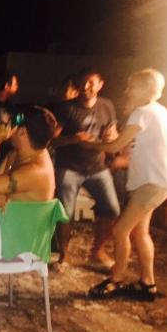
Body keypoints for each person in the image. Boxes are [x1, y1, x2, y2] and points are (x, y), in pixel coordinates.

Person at [87, 68, 167, 301]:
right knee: (140, 233)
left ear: (145, 89)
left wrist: (89, 145)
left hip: (151, 183)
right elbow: (131, 146)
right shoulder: (161, 111)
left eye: (131, 86)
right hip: (157, 182)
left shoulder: (141, 112)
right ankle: (147, 284)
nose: (127, 90)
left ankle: (117, 279)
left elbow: (114, 147)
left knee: (120, 229)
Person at [0, 106, 60, 300]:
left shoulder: (34, 170)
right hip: (9, 232)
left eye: (12, 125)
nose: (7, 128)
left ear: (22, 132)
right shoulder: (18, 155)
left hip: (18, 247)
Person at [53, 68, 121, 271]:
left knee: (112, 209)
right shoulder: (67, 109)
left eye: (91, 83)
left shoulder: (107, 105)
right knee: (65, 213)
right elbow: (52, 140)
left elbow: (113, 133)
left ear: (100, 85)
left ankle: (97, 250)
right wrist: (73, 139)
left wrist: (112, 137)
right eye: (83, 82)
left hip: (97, 166)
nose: (86, 87)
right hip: (69, 168)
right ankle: (64, 255)